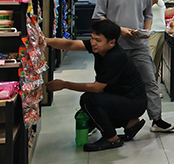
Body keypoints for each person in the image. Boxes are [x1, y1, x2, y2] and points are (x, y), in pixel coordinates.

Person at [93, 0, 174, 133]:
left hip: (139, 45)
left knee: (150, 82)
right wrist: (120, 30)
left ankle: (156, 119)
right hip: (114, 47)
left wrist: (145, 32)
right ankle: (99, 120)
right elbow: (98, 18)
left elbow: (148, 15)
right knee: (109, 85)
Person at [46, 20, 147, 151]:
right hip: (122, 97)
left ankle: (112, 139)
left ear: (111, 43)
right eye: (92, 38)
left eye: (98, 40)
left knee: (88, 100)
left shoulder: (115, 57)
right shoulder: (99, 47)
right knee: (88, 116)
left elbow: (96, 88)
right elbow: (70, 44)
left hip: (134, 103)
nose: (93, 42)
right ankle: (129, 124)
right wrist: (44, 41)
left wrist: (64, 84)